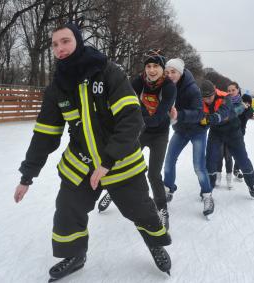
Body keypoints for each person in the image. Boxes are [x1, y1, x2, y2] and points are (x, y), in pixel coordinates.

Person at [13, 23, 171, 282]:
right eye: (55, 44)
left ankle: (155, 244)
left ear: (77, 41)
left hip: (119, 160)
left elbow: (132, 119)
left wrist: (108, 160)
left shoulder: (108, 72)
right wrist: (27, 175)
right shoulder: (57, 87)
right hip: (81, 162)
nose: (60, 48)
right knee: (67, 208)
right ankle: (75, 254)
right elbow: (45, 134)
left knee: (141, 210)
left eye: (65, 41)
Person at [98, 49, 176, 230]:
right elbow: (130, 101)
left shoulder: (169, 87)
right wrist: (136, 117)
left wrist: (138, 117)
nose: (151, 70)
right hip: (141, 131)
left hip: (160, 134)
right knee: (121, 161)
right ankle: (113, 191)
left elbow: (160, 114)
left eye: (156, 66)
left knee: (154, 174)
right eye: (148, 66)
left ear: (162, 68)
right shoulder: (138, 81)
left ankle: (162, 209)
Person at [163, 58, 214, 218]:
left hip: (198, 130)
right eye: (167, 72)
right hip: (181, 130)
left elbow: (199, 113)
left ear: (180, 72)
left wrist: (180, 115)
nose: (170, 75)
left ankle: (207, 196)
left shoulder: (192, 88)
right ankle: (168, 189)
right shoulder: (165, 86)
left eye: (173, 72)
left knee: (198, 166)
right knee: (169, 161)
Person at [201, 80, 254, 199]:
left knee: (242, 160)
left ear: (215, 90)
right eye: (204, 97)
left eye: (210, 96)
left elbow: (225, 113)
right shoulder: (201, 100)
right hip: (216, 132)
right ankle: (207, 189)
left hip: (233, 132)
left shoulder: (225, 98)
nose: (207, 100)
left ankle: (251, 184)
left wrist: (210, 118)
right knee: (210, 159)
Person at [233, 92, 253, 181]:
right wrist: (241, 107)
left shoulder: (249, 110)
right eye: (245, 102)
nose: (247, 104)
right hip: (230, 131)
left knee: (239, 152)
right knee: (224, 153)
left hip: (240, 133)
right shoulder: (238, 107)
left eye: (249, 103)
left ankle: (236, 170)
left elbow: (249, 115)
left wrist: (246, 108)